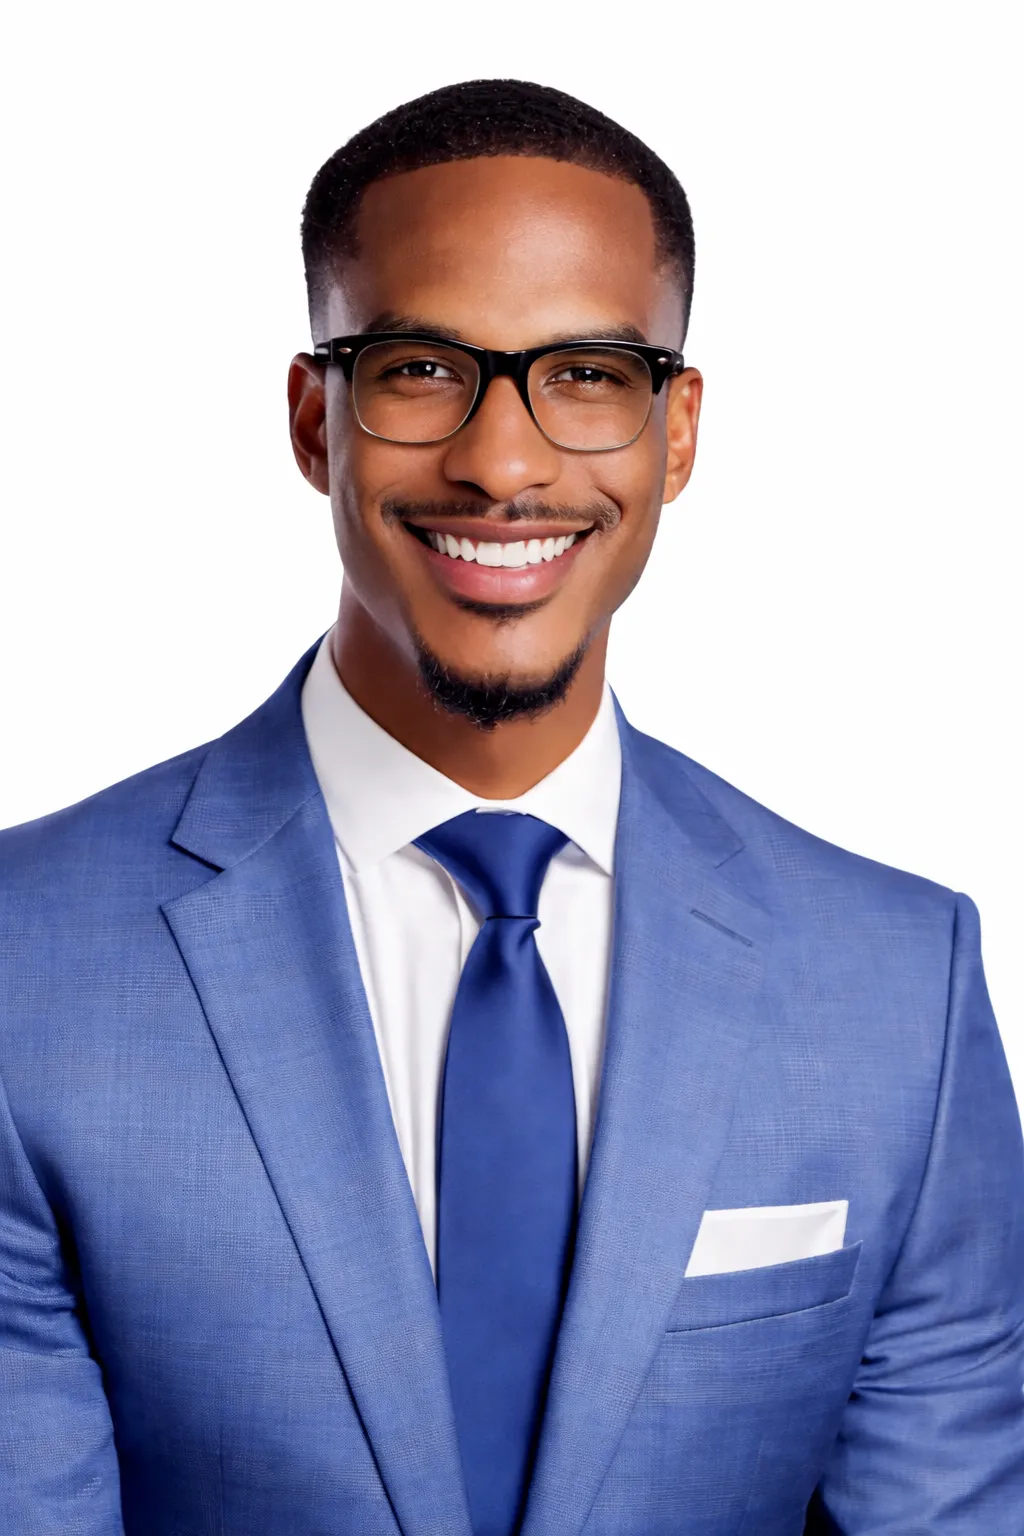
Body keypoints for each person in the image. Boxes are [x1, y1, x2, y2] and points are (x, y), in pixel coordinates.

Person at [0, 76, 1021, 1536]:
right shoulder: (22, 969)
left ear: (676, 431)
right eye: (423, 367)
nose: (503, 461)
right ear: (315, 418)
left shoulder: (895, 987)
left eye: (589, 372)